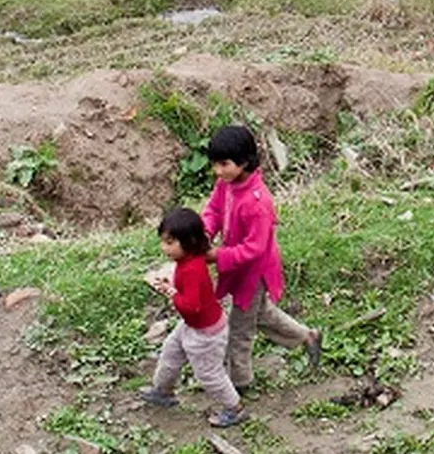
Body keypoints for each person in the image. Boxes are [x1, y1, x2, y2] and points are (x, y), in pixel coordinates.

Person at [203, 123, 322, 390]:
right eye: (215, 164)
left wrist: (216, 256)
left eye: (224, 164)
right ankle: (308, 336)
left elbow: (255, 248)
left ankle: (239, 384)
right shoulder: (226, 184)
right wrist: (205, 232)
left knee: (239, 330)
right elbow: (213, 209)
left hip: (253, 273)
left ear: (244, 162)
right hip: (235, 265)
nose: (218, 171)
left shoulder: (258, 203)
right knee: (260, 314)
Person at [138, 205, 243, 427]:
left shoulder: (193, 269)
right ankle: (163, 391)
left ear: (188, 242)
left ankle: (235, 408)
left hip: (205, 332)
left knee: (209, 374)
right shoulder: (187, 261)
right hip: (193, 325)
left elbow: (192, 306)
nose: (164, 247)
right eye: (163, 241)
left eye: (169, 242)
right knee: (170, 351)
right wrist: (173, 287)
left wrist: (171, 293)